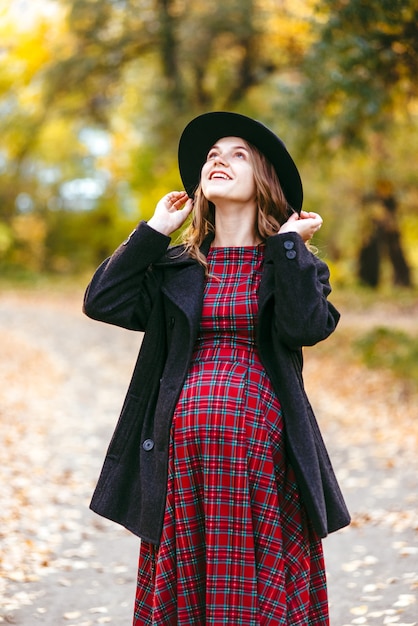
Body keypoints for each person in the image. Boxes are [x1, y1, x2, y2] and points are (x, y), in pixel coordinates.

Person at [83, 111, 350, 625]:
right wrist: (155, 232)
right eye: (212, 155)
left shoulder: (292, 265)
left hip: (263, 464)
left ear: (263, 181)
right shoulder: (176, 267)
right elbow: (102, 301)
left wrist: (290, 246)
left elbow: (305, 328)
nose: (218, 160)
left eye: (237, 154)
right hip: (182, 464)